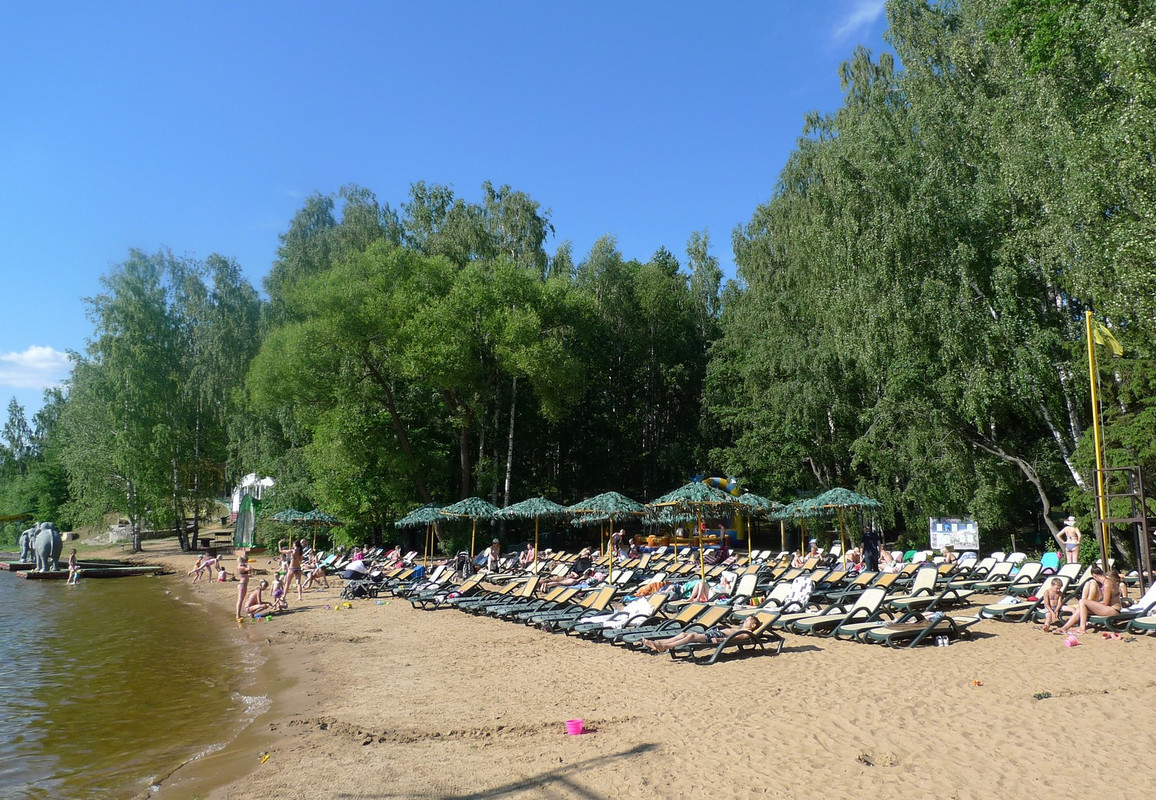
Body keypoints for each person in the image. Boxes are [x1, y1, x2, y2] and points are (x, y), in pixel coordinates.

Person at [642, 615, 760, 653]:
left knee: (691, 636)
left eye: (748, 620)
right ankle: (660, 643)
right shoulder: (741, 628)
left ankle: (665, 646)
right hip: (715, 632)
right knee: (684, 633)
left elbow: (736, 639)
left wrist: (719, 641)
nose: (745, 620)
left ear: (753, 625)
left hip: (718, 637)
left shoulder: (747, 633)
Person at [1060, 569, 1122, 635]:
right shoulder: (1107, 581)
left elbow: (1105, 603)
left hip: (1113, 610)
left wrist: (1091, 604)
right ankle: (1064, 628)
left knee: (1082, 601)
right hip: (1109, 609)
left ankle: (1082, 629)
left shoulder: (1107, 583)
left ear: (1094, 576)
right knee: (1081, 607)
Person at [235, 555, 251, 619]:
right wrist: (247, 564)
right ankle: (238, 615)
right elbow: (249, 568)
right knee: (240, 600)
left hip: (243, 584)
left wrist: (247, 575)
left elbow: (243, 574)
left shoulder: (241, 567)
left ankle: (238, 614)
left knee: (241, 600)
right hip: (242, 585)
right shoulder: (241, 567)